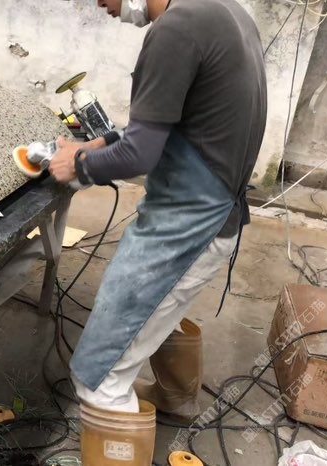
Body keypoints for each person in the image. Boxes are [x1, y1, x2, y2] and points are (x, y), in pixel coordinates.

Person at [48, 0, 267, 463]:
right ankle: (176, 399)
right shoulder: (224, 11)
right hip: (213, 217)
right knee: (156, 316)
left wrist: (79, 164)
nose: (101, 5)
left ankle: (117, 424)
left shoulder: (175, 27)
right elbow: (171, 124)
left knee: (97, 377)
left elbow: (141, 154)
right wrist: (100, 143)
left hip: (186, 229)